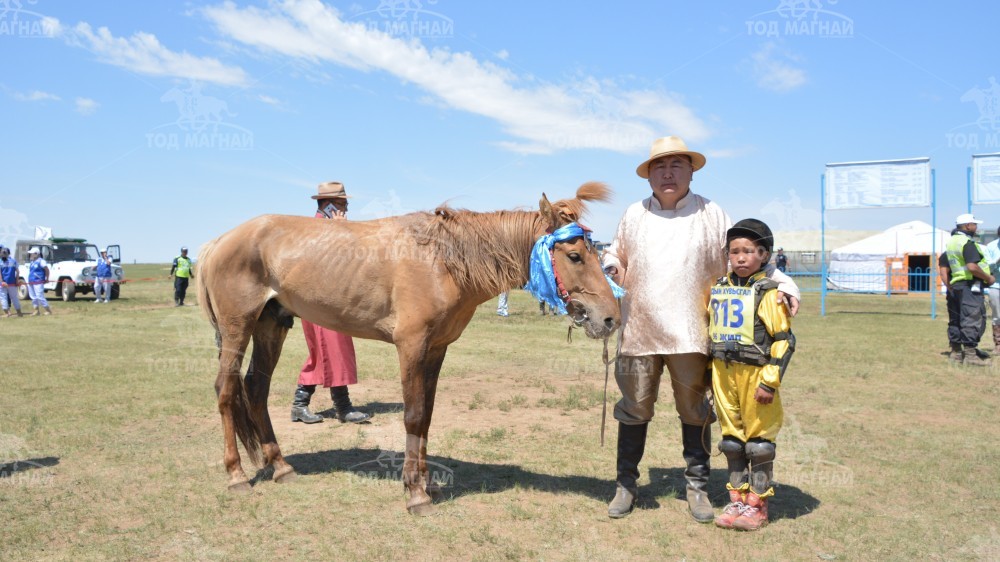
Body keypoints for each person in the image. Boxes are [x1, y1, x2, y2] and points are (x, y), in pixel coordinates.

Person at [602, 136, 800, 522]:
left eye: (677, 164)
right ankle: (625, 486)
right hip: (639, 332)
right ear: (648, 175)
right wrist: (610, 264)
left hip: (694, 333)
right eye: (659, 166)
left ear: (692, 170)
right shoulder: (633, 214)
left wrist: (786, 287)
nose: (668, 172)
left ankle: (697, 488)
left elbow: (746, 255)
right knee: (634, 410)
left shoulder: (712, 214)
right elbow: (616, 254)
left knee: (695, 412)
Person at [709, 218, 794, 531]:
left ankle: (758, 505)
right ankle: (737, 500)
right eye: (735, 252)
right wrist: (709, 378)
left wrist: (769, 382)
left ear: (764, 255)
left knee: (758, 445)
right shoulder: (718, 288)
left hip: (755, 376)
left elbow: (784, 340)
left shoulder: (769, 293)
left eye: (749, 251)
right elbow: (712, 332)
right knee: (732, 442)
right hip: (722, 374)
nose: (741, 257)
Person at [290, 181, 371, 424]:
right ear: (327, 205)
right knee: (329, 350)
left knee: (330, 351)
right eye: (342, 203)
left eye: (345, 203)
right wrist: (341, 233)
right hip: (318, 301)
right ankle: (342, 408)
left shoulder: (328, 226)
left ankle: (303, 405)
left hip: (331, 301)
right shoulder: (315, 229)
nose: (346, 208)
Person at [940, 213, 994, 366]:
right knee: (972, 318)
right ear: (968, 226)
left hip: (956, 286)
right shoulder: (967, 243)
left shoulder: (951, 243)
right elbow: (972, 267)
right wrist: (988, 277)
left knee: (956, 319)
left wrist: (950, 287)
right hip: (970, 286)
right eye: (974, 224)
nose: (976, 227)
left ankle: (956, 353)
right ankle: (970, 356)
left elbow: (944, 270)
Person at [982, 226, 1000, 350]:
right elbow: (987, 267)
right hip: (996, 285)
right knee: (997, 315)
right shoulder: (991, 247)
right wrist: (997, 260)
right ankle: (998, 345)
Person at [25, 247, 52, 316]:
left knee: (40, 296)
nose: (30, 255)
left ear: (36, 254)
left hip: (38, 281)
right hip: (31, 281)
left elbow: (46, 270)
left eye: (31, 254)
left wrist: (46, 278)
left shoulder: (41, 261)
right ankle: (36, 310)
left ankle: (48, 310)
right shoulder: (32, 262)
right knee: (33, 297)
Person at [0, 245, 23, 317]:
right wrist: (16, 281)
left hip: (3, 283)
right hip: (12, 283)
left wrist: (2, 282)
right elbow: (18, 272)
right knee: (14, 298)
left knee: (3, 298)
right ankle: (19, 313)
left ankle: (7, 313)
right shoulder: (13, 261)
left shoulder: (0, 261)